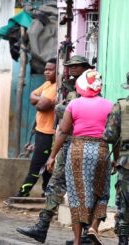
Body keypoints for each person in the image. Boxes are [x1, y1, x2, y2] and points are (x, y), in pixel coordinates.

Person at [16, 55, 94, 244]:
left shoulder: (90, 86)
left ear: (85, 67)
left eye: (77, 66)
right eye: (71, 66)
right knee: (55, 185)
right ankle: (42, 228)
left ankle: (86, 235)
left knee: (82, 189)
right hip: (66, 142)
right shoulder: (69, 86)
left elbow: (66, 110)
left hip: (81, 143)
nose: (73, 69)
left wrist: (60, 107)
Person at [44, 69, 112, 245]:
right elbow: (115, 135)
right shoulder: (109, 105)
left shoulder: (73, 105)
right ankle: (93, 227)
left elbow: (63, 131)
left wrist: (52, 156)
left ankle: (76, 241)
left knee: (77, 195)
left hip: (78, 151)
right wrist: (116, 158)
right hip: (102, 150)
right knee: (101, 192)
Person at [16, 58, 57, 197]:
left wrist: (42, 101)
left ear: (58, 71)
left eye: (50, 69)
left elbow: (40, 105)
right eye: (45, 69)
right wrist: (44, 100)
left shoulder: (57, 87)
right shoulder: (47, 84)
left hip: (49, 133)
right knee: (44, 165)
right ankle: (46, 192)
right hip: (40, 131)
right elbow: (32, 96)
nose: (46, 72)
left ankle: (23, 192)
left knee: (37, 164)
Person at [102, 74, 129, 245]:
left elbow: (110, 136)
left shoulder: (121, 106)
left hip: (127, 162)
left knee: (125, 203)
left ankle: (123, 240)